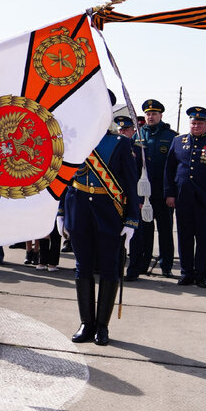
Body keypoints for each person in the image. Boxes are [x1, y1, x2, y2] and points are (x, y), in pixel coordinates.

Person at [60, 95, 139, 346]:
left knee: (108, 267)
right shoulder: (73, 139)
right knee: (82, 267)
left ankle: (102, 327)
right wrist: (61, 212)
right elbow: (62, 178)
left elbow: (130, 185)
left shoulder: (120, 143)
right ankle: (86, 323)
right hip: (79, 210)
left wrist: (132, 220)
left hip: (109, 211)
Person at [164, 106, 206, 289]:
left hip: (205, 199)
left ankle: (201, 275)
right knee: (184, 238)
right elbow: (169, 169)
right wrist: (169, 193)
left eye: (200, 123)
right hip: (182, 198)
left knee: (203, 238)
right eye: (193, 123)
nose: (196, 126)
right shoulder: (178, 141)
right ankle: (186, 273)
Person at [135, 99, 178, 278]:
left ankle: (166, 265)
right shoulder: (137, 135)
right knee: (145, 232)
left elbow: (175, 168)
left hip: (163, 194)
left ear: (160, 115)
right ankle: (143, 264)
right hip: (144, 195)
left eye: (154, 114)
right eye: (148, 114)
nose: (150, 117)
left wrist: (171, 194)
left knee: (165, 231)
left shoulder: (171, 137)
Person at [114, 114, 148, 282]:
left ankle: (133, 270)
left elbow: (144, 177)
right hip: (116, 198)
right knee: (116, 235)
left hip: (134, 198)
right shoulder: (113, 146)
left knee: (134, 235)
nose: (122, 132)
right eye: (120, 129)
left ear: (133, 131)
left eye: (126, 129)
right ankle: (117, 267)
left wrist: (141, 199)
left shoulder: (139, 149)